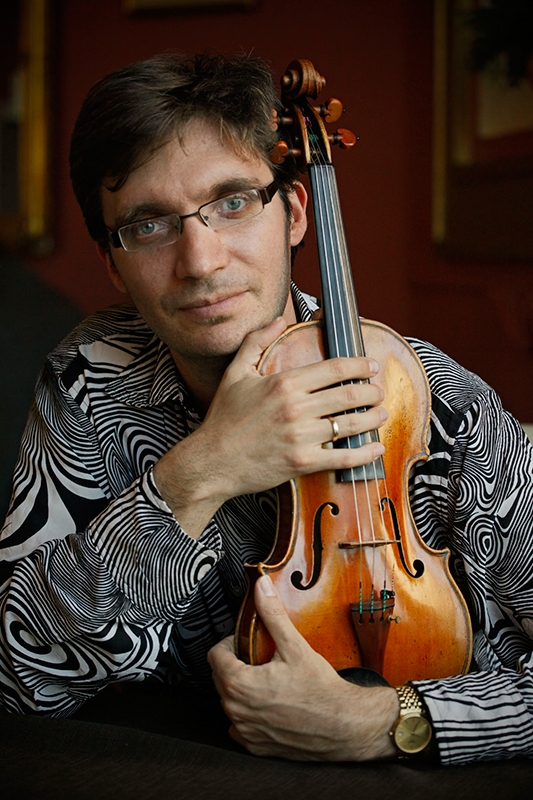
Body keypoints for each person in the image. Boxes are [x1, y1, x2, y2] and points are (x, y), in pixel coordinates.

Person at [0, 52, 532, 766]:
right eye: (149, 225)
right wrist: (201, 472)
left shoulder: (436, 399)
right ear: (111, 263)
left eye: (232, 202)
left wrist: (387, 721)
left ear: (295, 214)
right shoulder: (89, 381)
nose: (200, 261)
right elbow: (17, 677)